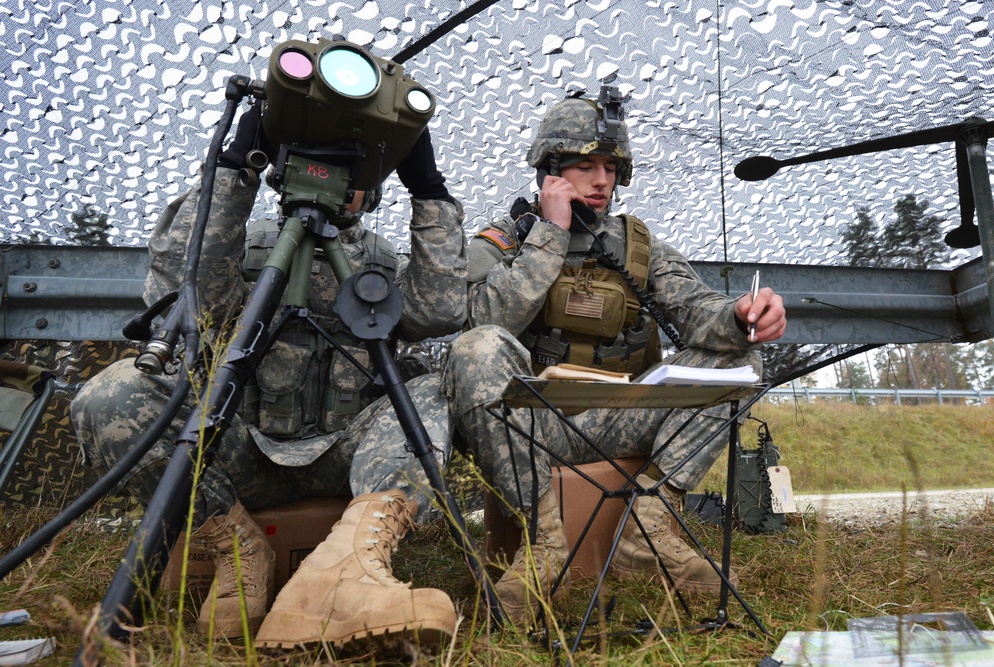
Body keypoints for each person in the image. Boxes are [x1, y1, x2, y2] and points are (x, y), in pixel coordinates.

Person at [70, 107, 466, 651]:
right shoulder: (245, 244)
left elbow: (441, 313)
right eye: (321, 158)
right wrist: (236, 168)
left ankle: (351, 570)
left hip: (345, 458)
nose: (335, 176)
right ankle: (236, 549)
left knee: (428, 388)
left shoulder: (383, 264)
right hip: (242, 454)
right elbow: (183, 285)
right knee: (112, 394)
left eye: (351, 164)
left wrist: (430, 190)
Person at [440, 88, 787, 624]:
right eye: (585, 166)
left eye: (610, 167)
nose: (602, 180)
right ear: (550, 171)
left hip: (621, 418)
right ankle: (545, 545)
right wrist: (550, 237)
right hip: (532, 427)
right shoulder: (503, 241)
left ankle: (646, 529)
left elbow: (697, 309)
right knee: (476, 347)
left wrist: (742, 315)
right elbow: (478, 325)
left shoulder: (637, 245)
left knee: (742, 361)